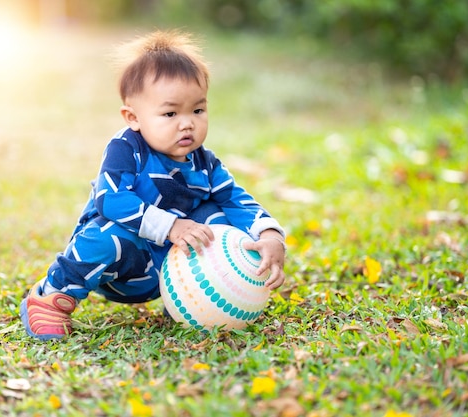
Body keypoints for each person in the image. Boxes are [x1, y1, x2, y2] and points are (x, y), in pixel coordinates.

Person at [20, 30, 286, 340]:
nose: (187, 123)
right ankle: (52, 295)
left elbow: (238, 201)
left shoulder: (206, 163)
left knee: (218, 214)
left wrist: (268, 235)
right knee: (105, 235)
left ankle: (190, 299)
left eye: (197, 110)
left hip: (168, 271)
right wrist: (172, 226)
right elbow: (112, 200)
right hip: (121, 262)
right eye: (170, 113)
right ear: (133, 117)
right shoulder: (126, 148)